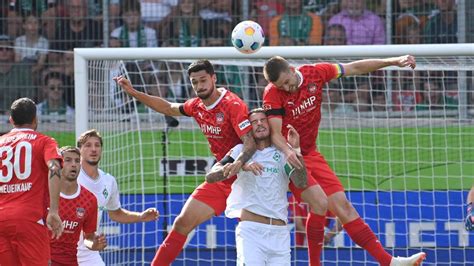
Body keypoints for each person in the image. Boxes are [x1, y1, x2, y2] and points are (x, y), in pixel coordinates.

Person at [262, 55, 426, 265]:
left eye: (287, 82)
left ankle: (389, 262)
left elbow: (355, 67)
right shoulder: (273, 93)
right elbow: (275, 134)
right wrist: (288, 151)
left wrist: (393, 61)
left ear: (292, 69)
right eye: (280, 86)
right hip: (286, 156)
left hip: (310, 153)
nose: (286, 88)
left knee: (344, 207)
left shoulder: (316, 73)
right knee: (320, 203)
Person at [114, 59, 257, 266]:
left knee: (255, 234)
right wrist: (134, 93)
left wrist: (238, 163)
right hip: (221, 179)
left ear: (214, 78)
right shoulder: (196, 105)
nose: (200, 86)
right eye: (194, 82)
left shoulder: (232, 105)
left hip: (246, 180)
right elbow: (168, 107)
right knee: (181, 223)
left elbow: (250, 142)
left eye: (203, 80)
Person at [206, 108, 307, 265]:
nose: (259, 124)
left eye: (263, 120)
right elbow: (211, 176)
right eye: (254, 122)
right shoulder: (241, 151)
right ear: (248, 128)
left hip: (280, 233)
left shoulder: (281, 153)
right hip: (251, 231)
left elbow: (301, 182)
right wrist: (240, 165)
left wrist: (296, 151)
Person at [76, 129, 159, 266]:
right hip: (61, 248)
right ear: (80, 149)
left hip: (89, 250)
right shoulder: (70, 176)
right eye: (88, 145)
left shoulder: (109, 181)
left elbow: (115, 213)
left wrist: (140, 216)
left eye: (97, 145)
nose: (93, 149)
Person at [0, 97, 63, 265]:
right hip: (30, 219)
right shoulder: (45, 141)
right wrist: (54, 211)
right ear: (36, 119)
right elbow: (55, 168)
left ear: (11, 120)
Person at [50, 146, 107, 266]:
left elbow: (89, 237)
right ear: (58, 165)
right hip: (42, 259)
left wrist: (94, 245)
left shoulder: (89, 200)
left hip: (70, 261)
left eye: (77, 161)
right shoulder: (44, 193)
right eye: (68, 160)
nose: (73, 164)